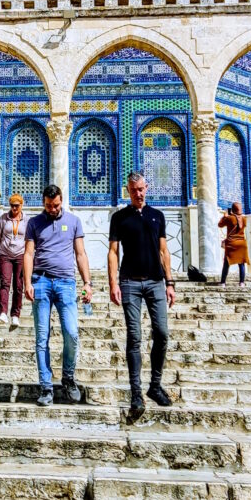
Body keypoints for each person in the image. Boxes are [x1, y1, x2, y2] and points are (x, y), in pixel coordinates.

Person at [108, 171, 176, 416]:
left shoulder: (157, 216)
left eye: (141, 189)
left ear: (147, 188)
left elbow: (164, 251)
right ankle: (136, 393)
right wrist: (113, 283)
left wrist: (170, 282)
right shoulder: (119, 218)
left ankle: (154, 386)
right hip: (130, 283)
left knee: (162, 332)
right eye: (133, 190)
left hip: (156, 282)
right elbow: (113, 252)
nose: (138, 193)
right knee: (134, 337)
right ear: (128, 190)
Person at [24, 184, 92, 407]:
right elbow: (29, 253)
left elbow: (80, 254)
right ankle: (46, 386)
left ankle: (68, 377)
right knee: (42, 337)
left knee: (71, 333)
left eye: (55, 205)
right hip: (41, 281)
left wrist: (87, 283)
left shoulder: (73, 222)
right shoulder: (34, 223)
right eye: (48, 205)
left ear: (61, 200)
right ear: (43, 202)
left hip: (66, 283)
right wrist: (27, 282)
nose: (52, 209)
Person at [0, 194, 29, 326]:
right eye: (12, 205)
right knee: (5, 283)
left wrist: (31, 258)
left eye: (17, 206)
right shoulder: (3, 218)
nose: (14, 208)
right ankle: (3, 312)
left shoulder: (26, 221)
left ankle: (15, 314)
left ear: (21, 205)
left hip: (20, 255)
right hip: (5, 254)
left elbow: (29, 240)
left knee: (19, 285)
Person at [218, 202, 249, 287]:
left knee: (226, 263)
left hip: (232, 243)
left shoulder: (230, 218)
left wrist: (225, 216)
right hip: (242, 244)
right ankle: (242, 282)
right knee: (241, 264)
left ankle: (223, 282)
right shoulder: (244, 219)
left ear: (233, 209)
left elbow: (220, 224)